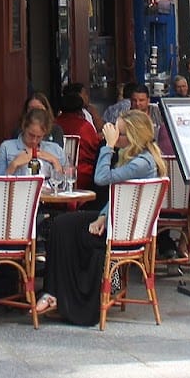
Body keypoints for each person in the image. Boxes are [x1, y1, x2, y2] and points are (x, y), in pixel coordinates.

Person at [32, 109, 165, 326]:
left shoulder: (141, 163)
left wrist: (108, 146)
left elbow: (102, 179)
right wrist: (103, 217)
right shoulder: (138, 158)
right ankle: (54, 293)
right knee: (62, 223)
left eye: (119, 133)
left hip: (123, 232)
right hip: (118, 222)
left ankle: (62, 297)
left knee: (70, 232)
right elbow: (118, 196)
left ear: (132, 136)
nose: (114, 136)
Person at [0, 108, 67, 176]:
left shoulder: (56, 149)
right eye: (31, 135)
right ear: (24, 127)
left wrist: (55, 161)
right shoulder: (7, 147)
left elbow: (67, 184)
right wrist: (14, 165)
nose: (34, 140)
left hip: (49, 190)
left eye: (39, 137)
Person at [54, 92, 102, 190]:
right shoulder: (85, 127)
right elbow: (95, 148)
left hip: (57, 172)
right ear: (80, 109)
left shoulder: (54, 124)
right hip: (83, 174)